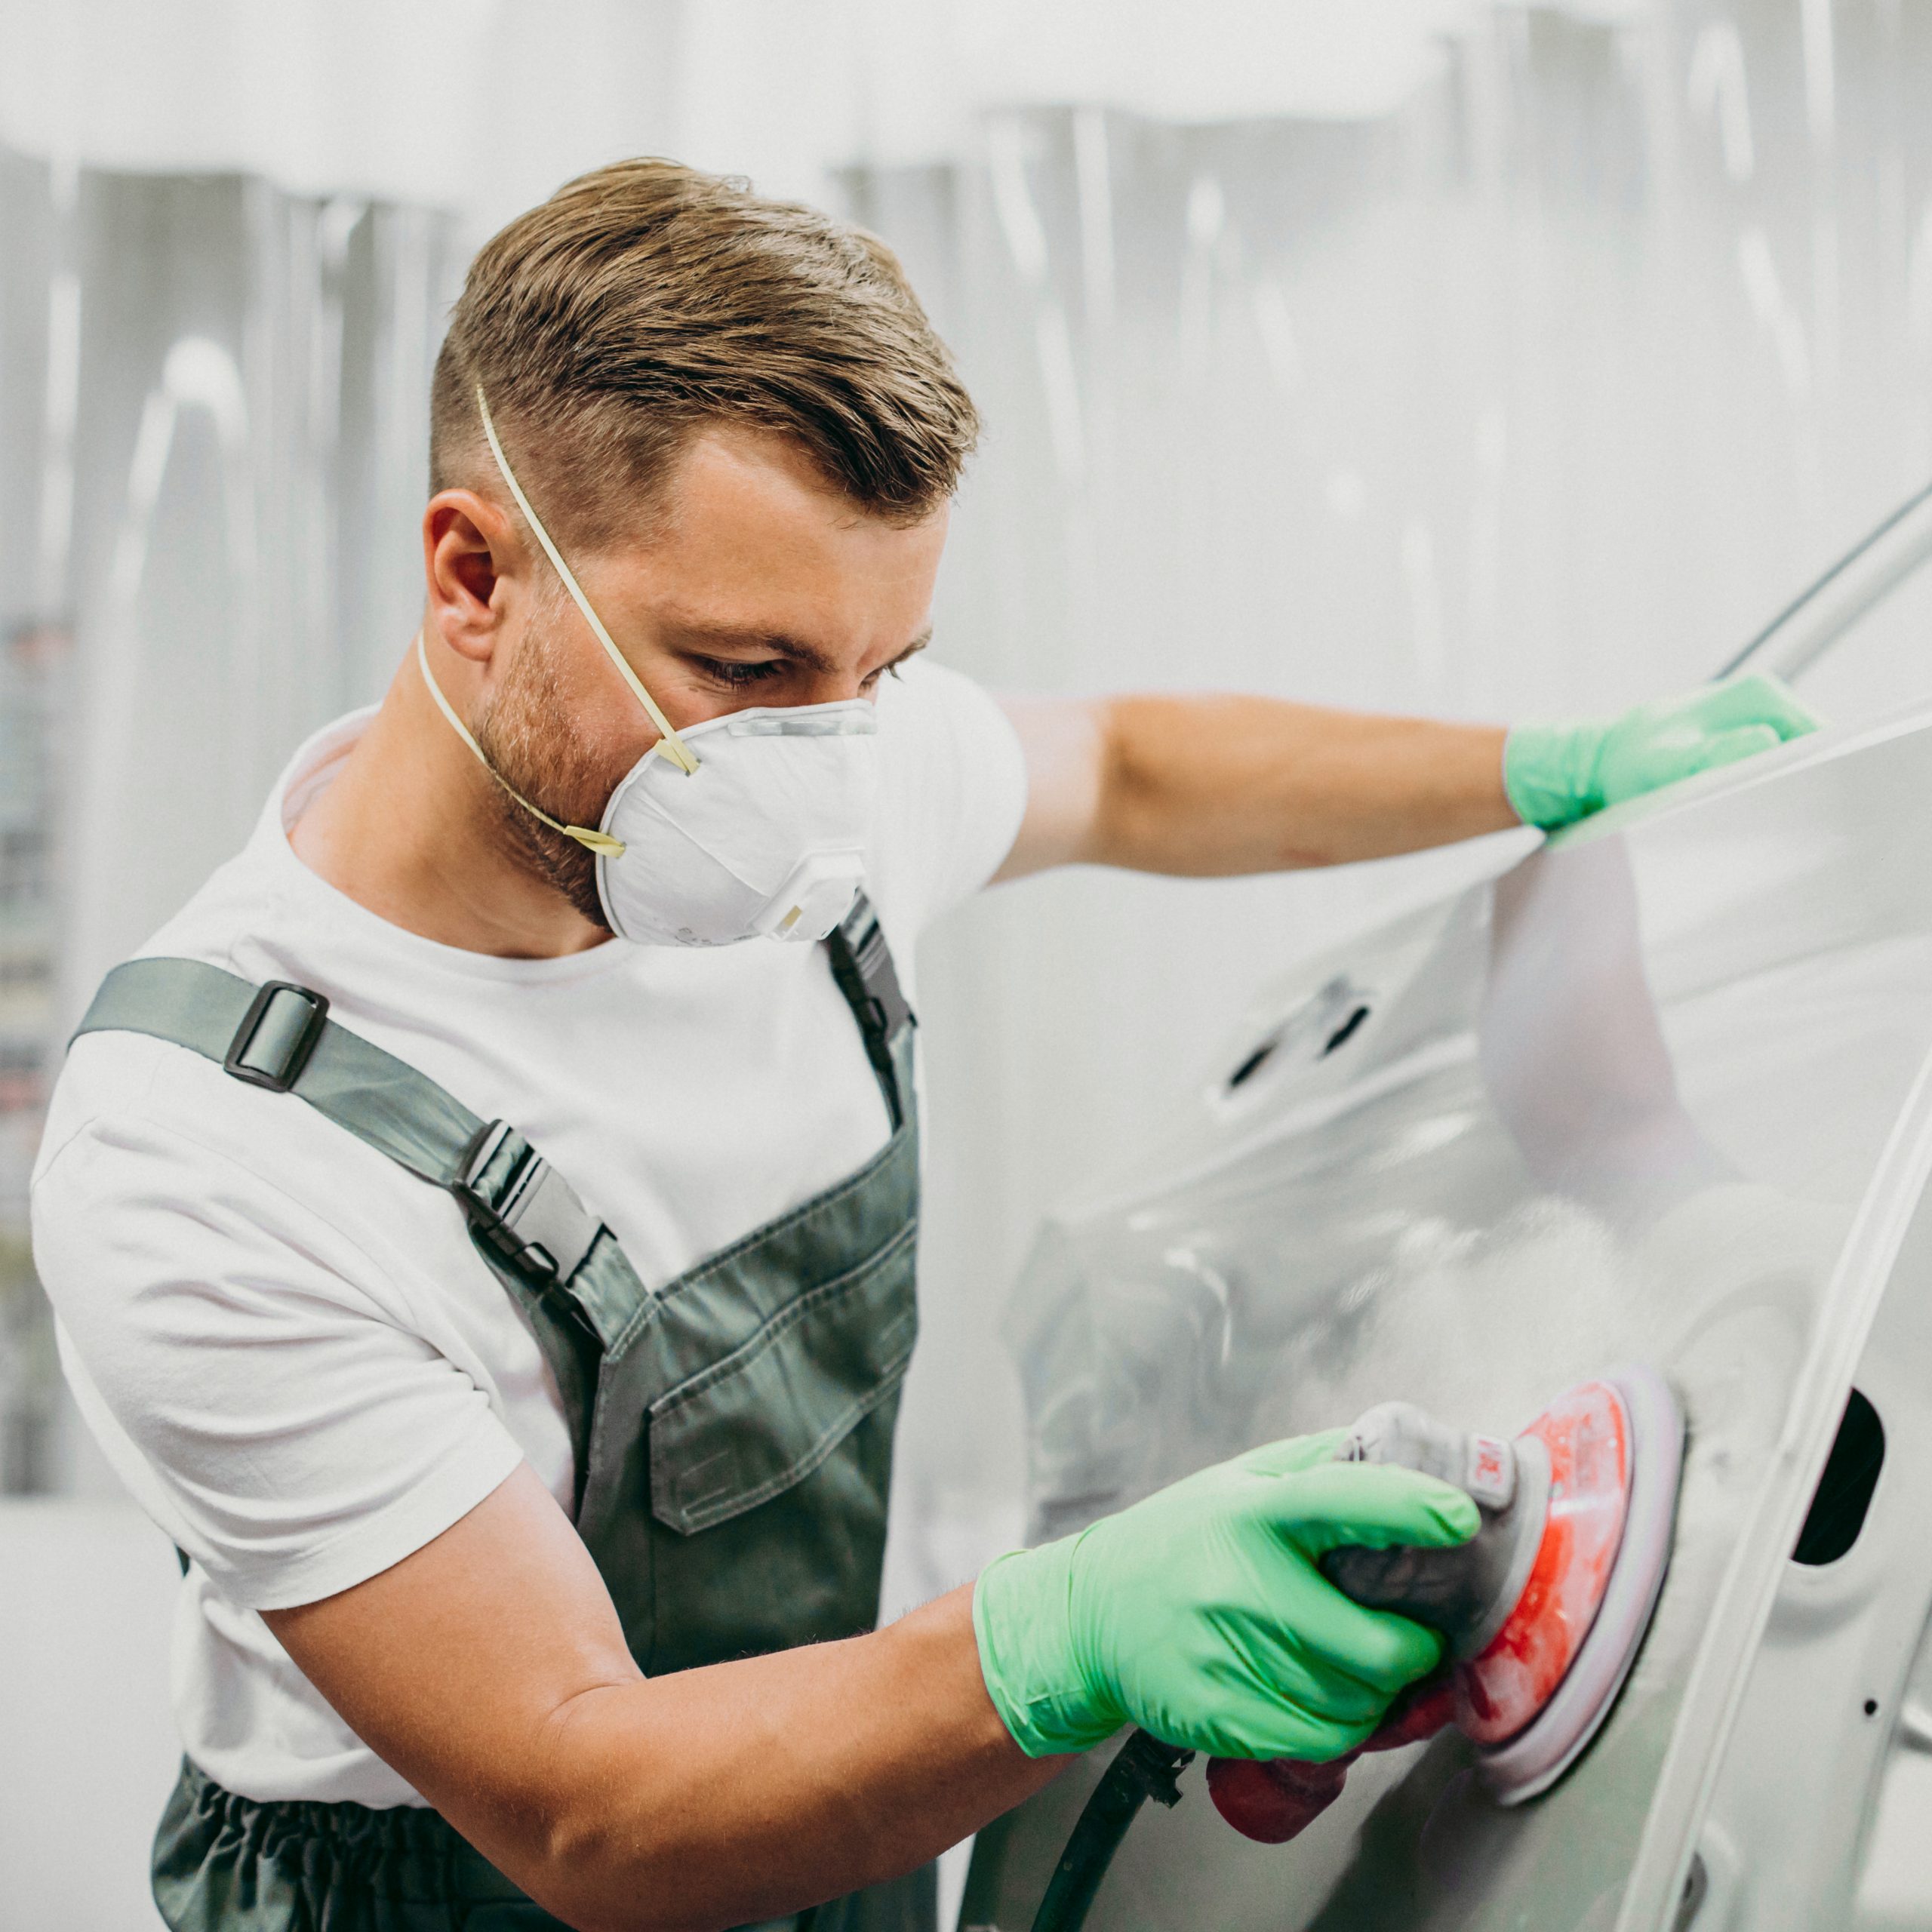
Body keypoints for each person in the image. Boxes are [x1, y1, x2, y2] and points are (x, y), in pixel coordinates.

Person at [31, 159, 1817, 1932]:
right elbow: (582, 1800)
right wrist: (1062, 1633)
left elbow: (1121, 763)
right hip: (491, 1877)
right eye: (746, 664)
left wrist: (1538, 768)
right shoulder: (209, 1154)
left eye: (881, 669)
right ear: (471, 572)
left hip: (842, 1799)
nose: (833, 758)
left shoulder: (796, 797)